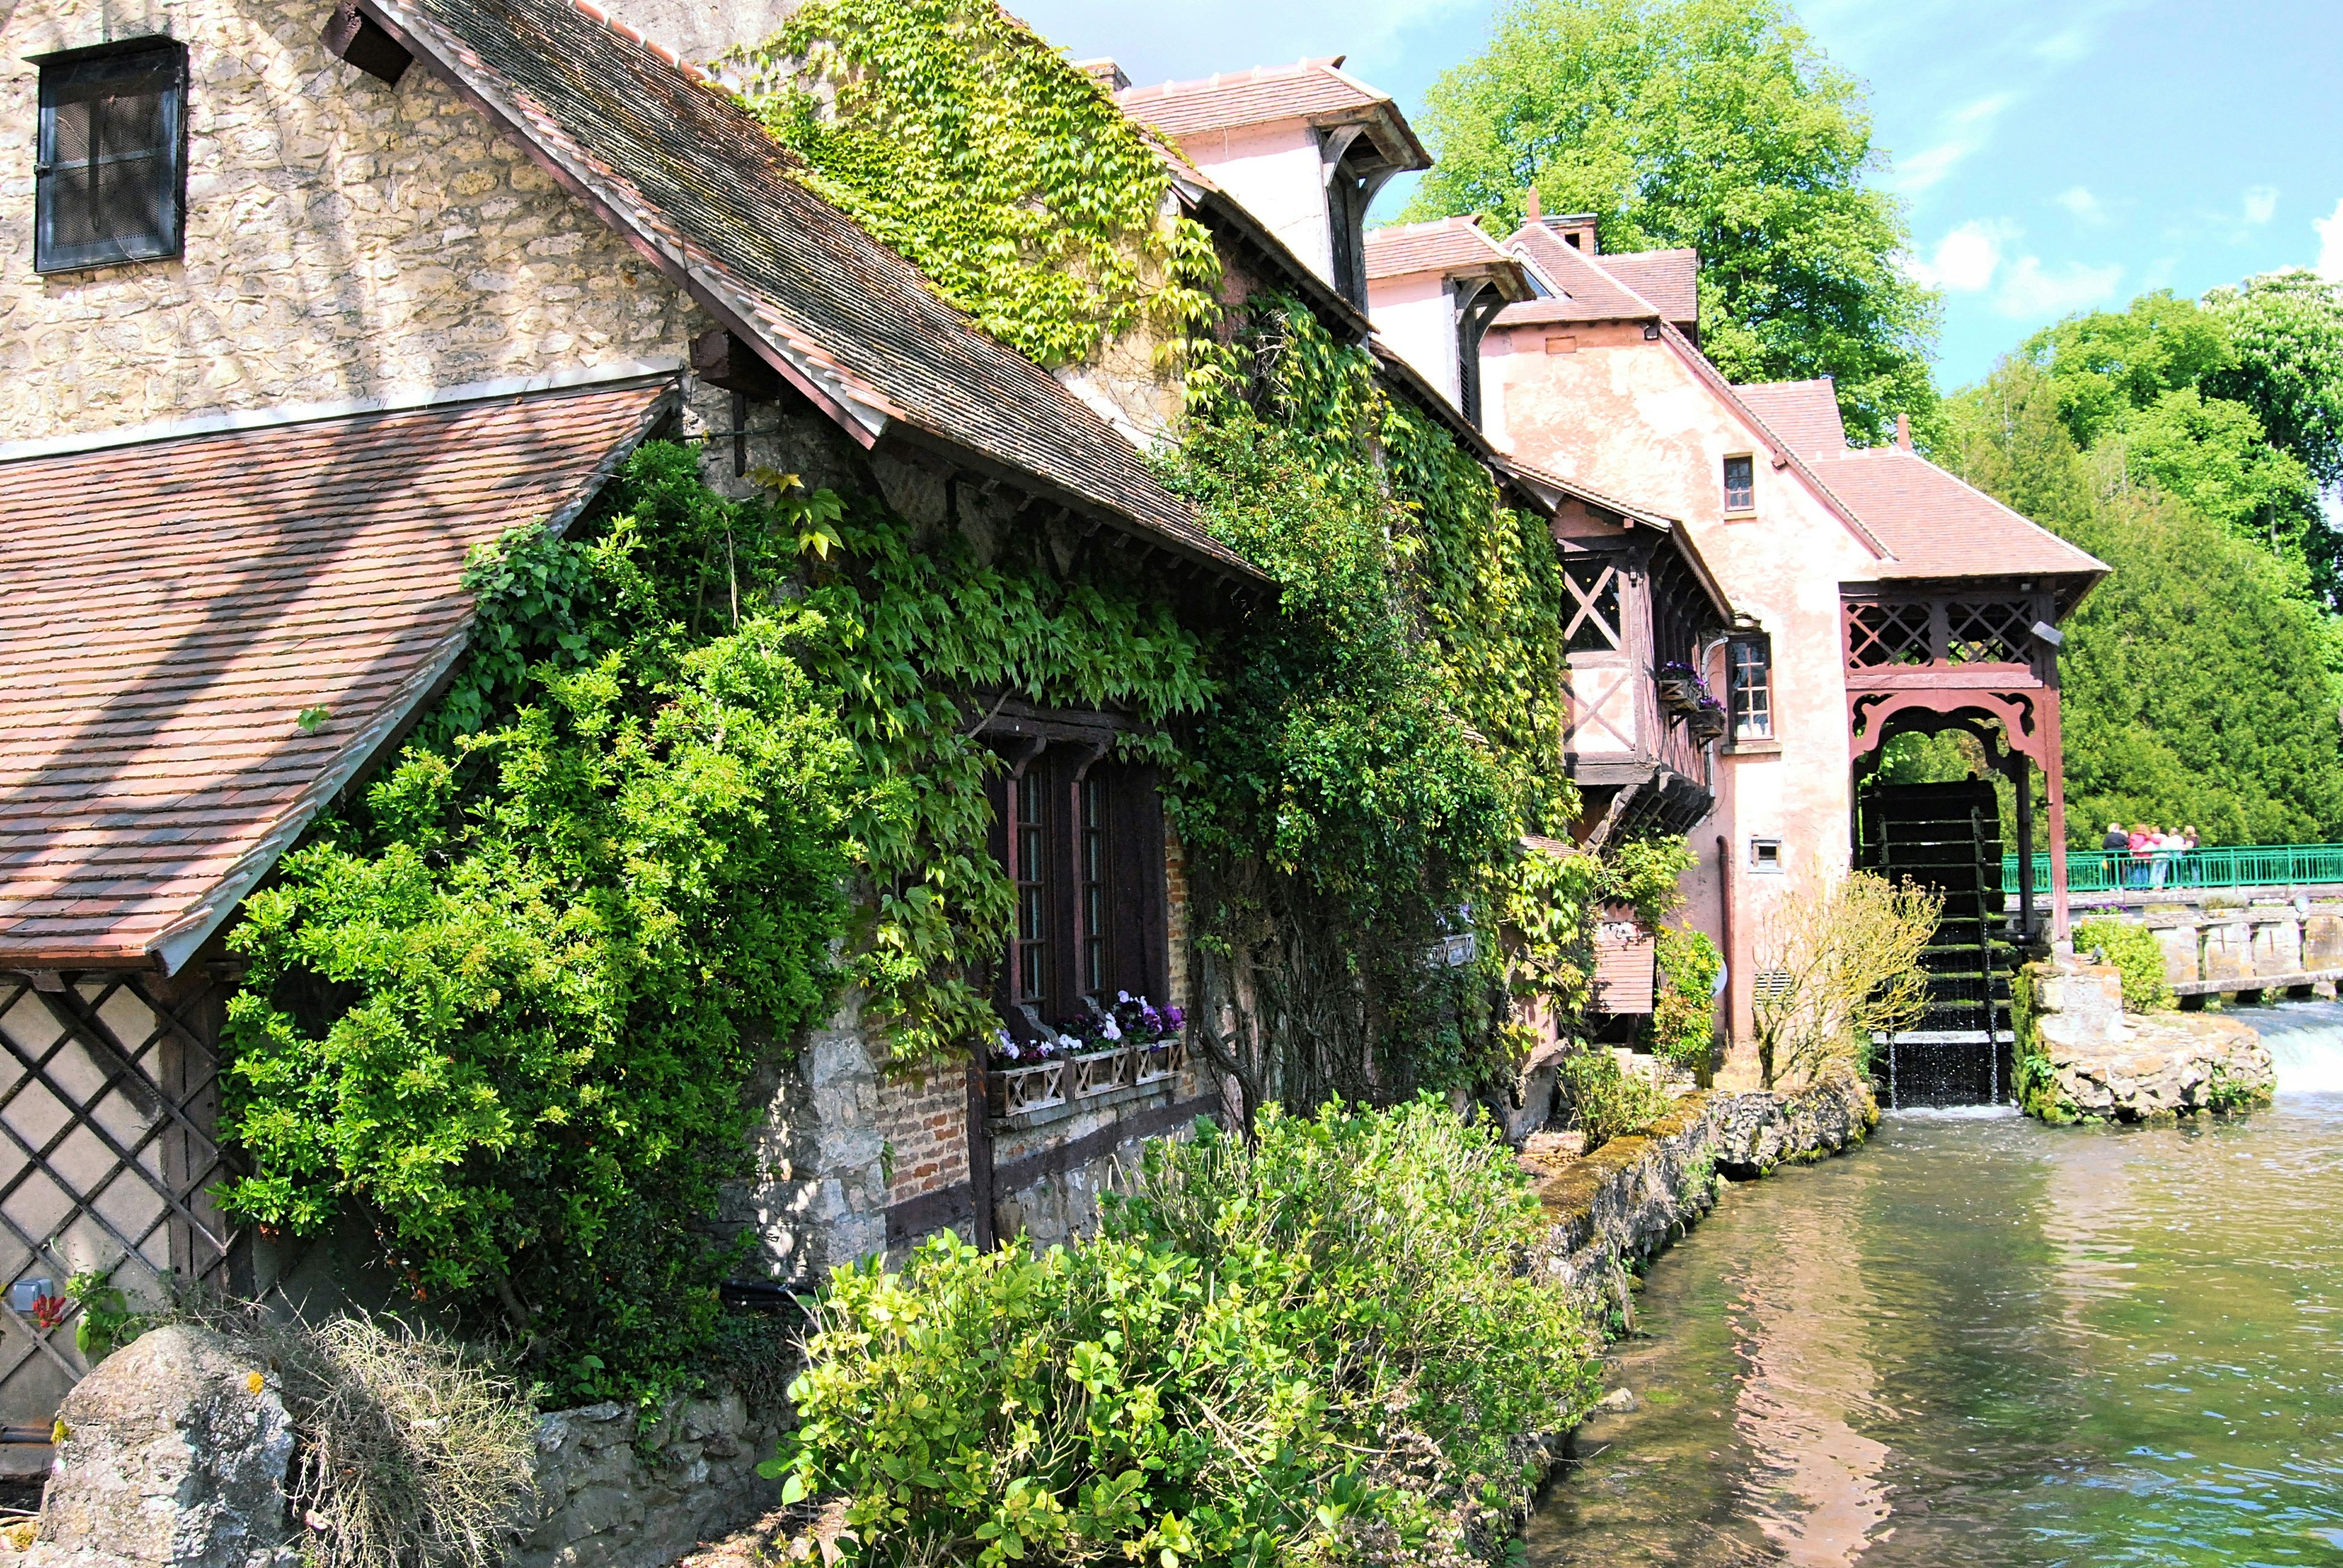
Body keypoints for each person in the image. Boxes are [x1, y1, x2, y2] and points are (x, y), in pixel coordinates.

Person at [2103, 822, 2129, 887]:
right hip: (2122, 855)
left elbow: (2104, 846)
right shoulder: (2121, 835)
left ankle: (2113, 885)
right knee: (2122, 870)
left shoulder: (2108, 836)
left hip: (2111, 855)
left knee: (2112, 871)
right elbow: (2128, 843)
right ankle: (2121, 885)